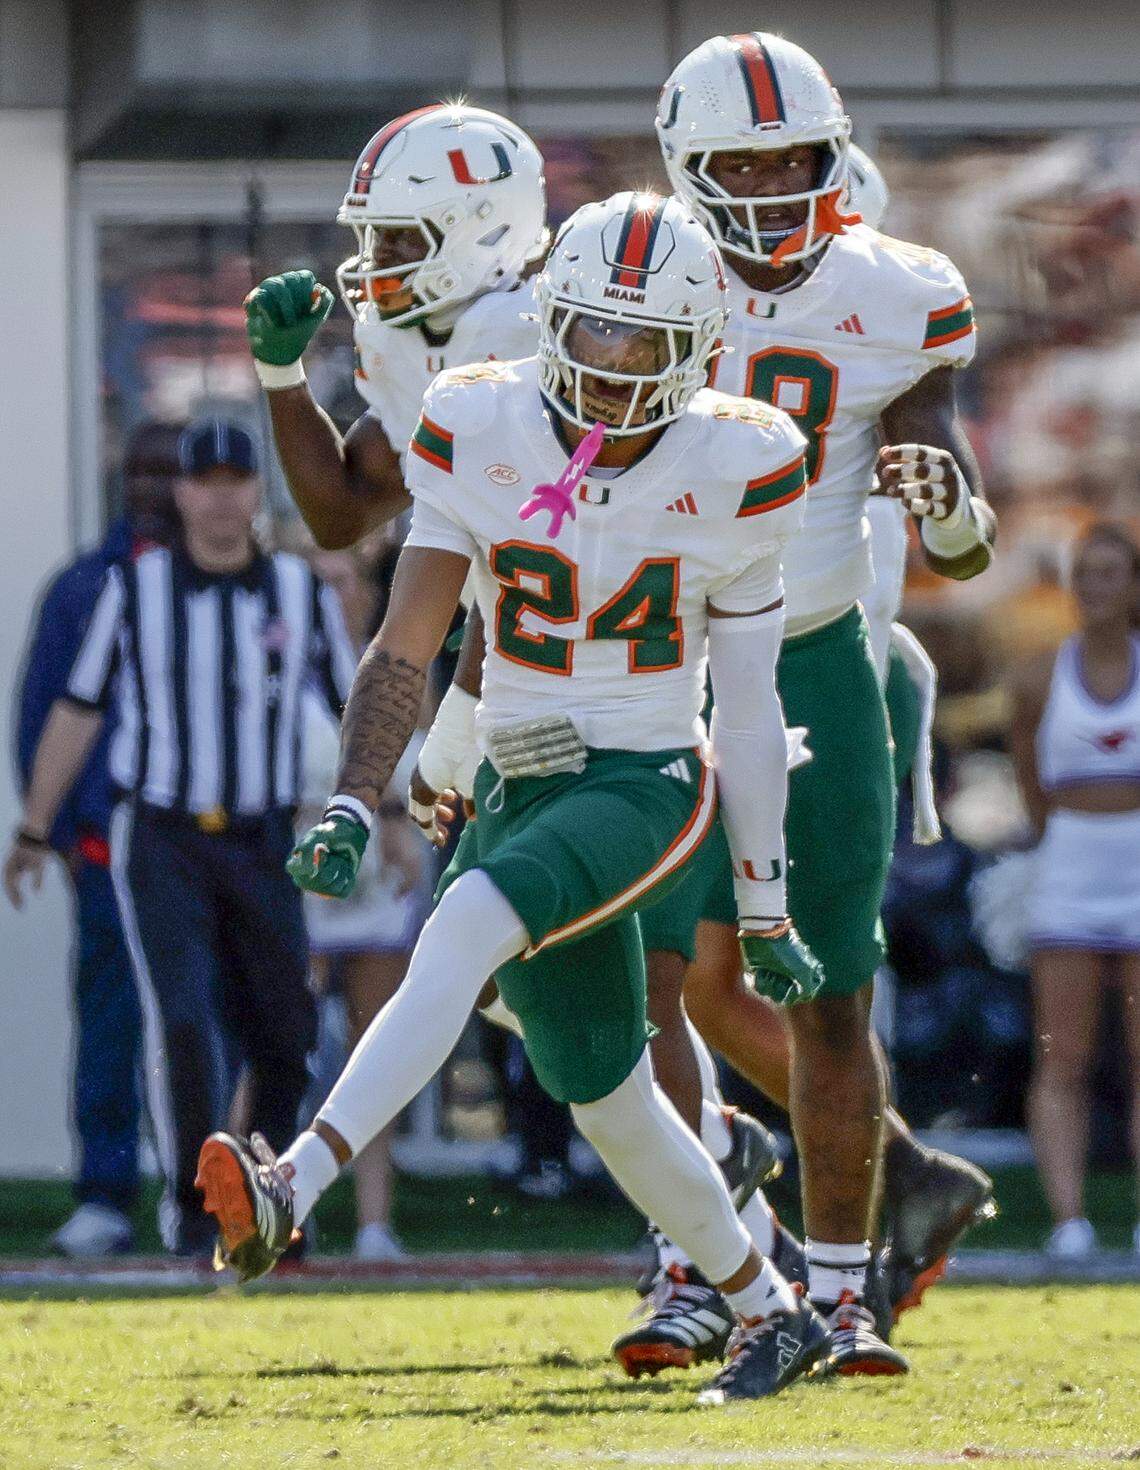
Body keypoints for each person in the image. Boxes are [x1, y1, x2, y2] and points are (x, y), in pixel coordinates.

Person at [198, 192, 836, 1404]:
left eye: (641, 343)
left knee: (469, 922)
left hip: (644, 776)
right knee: (611, 1100)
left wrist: (763, 903)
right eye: (591, 332)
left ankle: (295, 1182)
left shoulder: (745, 462)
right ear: (550, 323)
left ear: (698, 348)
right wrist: (351, 799)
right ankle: (773, 1308)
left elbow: (746, 710)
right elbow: (408, 639)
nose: (609, 366)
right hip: (512, 770)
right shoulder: (477, 424)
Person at [619, 31, 998, 1375]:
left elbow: (953, 521)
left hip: (821, 650)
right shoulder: (634, 267)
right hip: (660, 656)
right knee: (663, 981)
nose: (776, 185)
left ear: (836, 158)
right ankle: (698, 1267)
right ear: (689, 166)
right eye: (745, 162)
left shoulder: (902, 288)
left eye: (797, 159)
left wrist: (958, 514)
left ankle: (840, 1295)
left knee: (827, 984)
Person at [4, 419, 357, 1256]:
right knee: (186, 1021)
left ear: (254, 492)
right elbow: (76, 709)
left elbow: (356, 703)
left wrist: (383, 810)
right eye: (209, 481)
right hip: (161, 837)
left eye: (239, 480)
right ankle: (197, 1213)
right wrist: (32, 826)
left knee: (286, 1033)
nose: (224, 497)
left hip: (263, 835)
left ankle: (269, 1199)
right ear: (184, 493)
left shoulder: (300, 593)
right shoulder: (135, 589)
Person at [11, 421, 182, 1256]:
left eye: (171, 470)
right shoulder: (83, 587)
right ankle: (107, 1193)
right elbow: (45, 717)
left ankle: (220, 1193)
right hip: (109, 846)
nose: (155, 485)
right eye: (143, 469)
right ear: (123, 476)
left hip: (208, 842)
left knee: (224, 1017)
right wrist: (54, 830)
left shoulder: (233, 584)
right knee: (113, 1015)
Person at [242, 102, 547, 552]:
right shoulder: (408, 346)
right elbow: (341, 517)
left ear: (486, 230)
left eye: (401, 234)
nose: (379, 257)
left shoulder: (548, 334)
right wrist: (282, 374)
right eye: (373, 235)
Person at [1009, 522, 1140, 1258]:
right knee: (1064, 1055)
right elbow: (1029, 774)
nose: (1096, 587)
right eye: (1084, 573)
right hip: (1070, 862)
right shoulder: (1036, 673)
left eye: (1111, 572)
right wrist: (1058, 839)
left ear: (1134, 585)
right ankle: (1070, 1222)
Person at [300, 545, 432, 1261]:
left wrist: (394, 821)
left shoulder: (401, 667)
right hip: (302, 886)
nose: (334, 594)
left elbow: (425, 765)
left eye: (345, 581)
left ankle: (374, 1225)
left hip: (383, 888)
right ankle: (272, 1209)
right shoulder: (277, 667)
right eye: (320, 581)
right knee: (278, 1048)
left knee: (371, 1054)